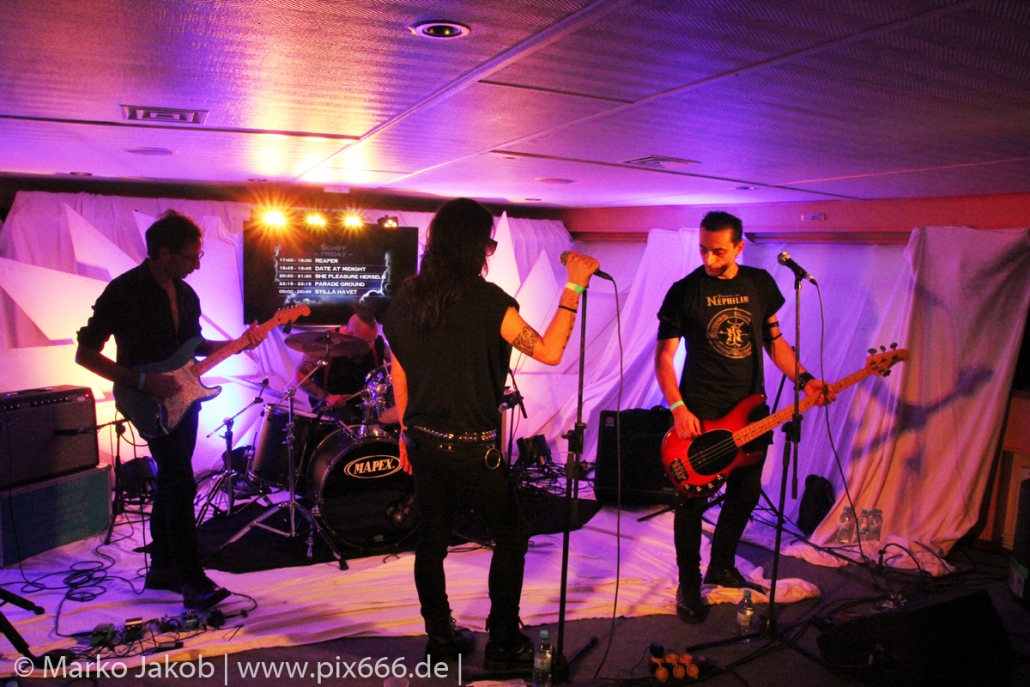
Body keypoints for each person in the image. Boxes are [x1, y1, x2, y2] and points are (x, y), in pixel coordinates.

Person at [383, 198, 599, 666]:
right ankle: (503, 641)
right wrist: (574, 286)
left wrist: (404, 430)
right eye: (488, 244)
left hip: (423, 442)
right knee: (512, 534)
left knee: (431, 541)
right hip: (472, 449)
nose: (489, 252)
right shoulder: (489, 302)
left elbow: (400, 371)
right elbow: (550, 351)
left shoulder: (405, 298)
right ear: (474, 246)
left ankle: (441, 640)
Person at [76, 210, 266, 611]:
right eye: (190, 256)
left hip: (185, 397)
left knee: (171, 480)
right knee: (180, 482)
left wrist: (234, 344)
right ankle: (192, 581)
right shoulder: (123, 291)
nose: (196, 265)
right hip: (145, 399)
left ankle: (162, 568)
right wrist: (143, 382)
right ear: (163, 253)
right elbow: (85, 355)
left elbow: (193, 346)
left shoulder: (187, 294)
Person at [654, 211, 834, 623]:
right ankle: (688, 583)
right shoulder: (684, 291)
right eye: (703, 249)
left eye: (718, 251)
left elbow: (775, 342)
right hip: (700, 413)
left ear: (739, 246)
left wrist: (806, 380)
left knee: (745, 494)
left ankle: (722, 565)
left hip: (750, 409)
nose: (709, 259)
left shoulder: (760, 284)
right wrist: (678, 408)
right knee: (691, 503)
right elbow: (664, 358)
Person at [294, 304, 397, 424]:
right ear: (349, 334)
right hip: (332, 409)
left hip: (366, 407)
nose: (370, 346)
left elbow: (392, 371)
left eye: (373, 339)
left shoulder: (380, 345)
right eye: (366, 342)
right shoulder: (325, 344)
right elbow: (300, 376)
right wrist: (327, 397)